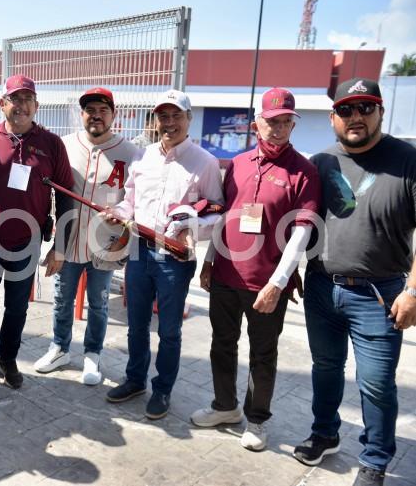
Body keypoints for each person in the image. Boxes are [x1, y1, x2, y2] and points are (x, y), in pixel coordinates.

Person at [292, 78, 416, 486]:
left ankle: (375, 460)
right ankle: (324, 433)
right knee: (326, 367)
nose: (355, 116)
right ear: (333, 118)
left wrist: (413, 291)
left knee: (376, 383)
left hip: (381, 295)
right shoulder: (320, 162)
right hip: (322, 288)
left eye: (365, 107)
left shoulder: (407, 159)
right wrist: (292, 270)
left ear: (380, 111)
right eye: (346, 109)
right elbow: (305, 225)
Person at [190, 88, 320, 451]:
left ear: (293, 125)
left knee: (262, 354)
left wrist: (277, 283)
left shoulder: (304, 171)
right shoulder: (238, 164)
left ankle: (257, 420)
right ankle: (224, 406)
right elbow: (223, 216)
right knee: (221, 344)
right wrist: (210, 260)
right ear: (256, 125)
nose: (278, 129)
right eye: (271, 122)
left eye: (285, 122)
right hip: (226, 277)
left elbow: (302, 232)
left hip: (267, 284)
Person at [103, 89, 224, 420]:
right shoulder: (144, 158)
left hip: (175, 259)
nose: (169, 123)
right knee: (136, 324)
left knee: (169, 330)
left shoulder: (205, 163)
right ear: (155, 121)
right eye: (163, 117)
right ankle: (135, 379)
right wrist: (119, 211)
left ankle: (162, 389)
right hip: (139, 251)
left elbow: (216, 211)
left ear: (189, 119)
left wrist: (192, 229)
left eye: (176, 116)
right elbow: (131, 199)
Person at [0, 74, 74, 389]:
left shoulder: (52, 144)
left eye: (27, 100)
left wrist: (60, 246)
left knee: (18, 305)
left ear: (36, 105)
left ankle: (8, 359)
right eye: (14, 99)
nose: (21, 106)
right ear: (2, 104)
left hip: (27, 243)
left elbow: (66, 197)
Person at [34, 87, 139, 385]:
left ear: (113, 115)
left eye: (103, 110)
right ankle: (60, 348)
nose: (96, 115)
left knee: (99, 302)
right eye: (90, 109)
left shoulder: (130, 152)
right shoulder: (64, 145)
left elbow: (137, 196)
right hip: (70, 239)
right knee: (62, 299)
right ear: (81, 114)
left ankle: (93, 354)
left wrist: (122, 212)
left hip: (107, 242)